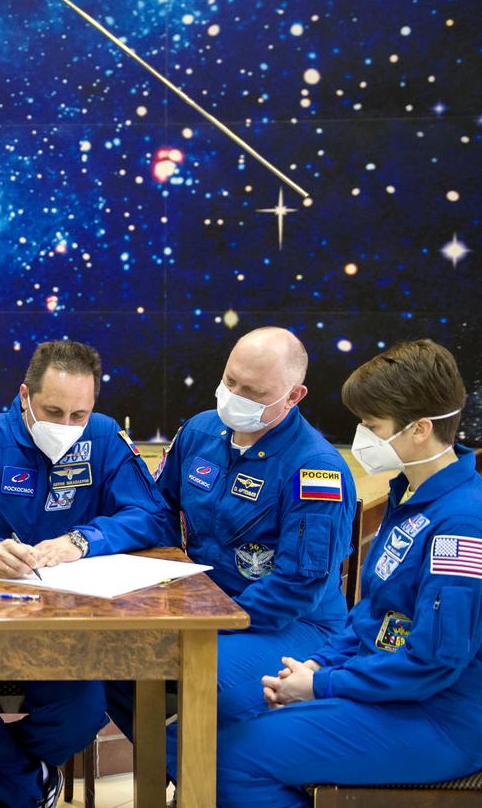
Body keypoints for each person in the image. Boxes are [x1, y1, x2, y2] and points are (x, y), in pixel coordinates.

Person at [214, 339, 482, 806]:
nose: (362, 436)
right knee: (210, 724)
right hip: (393, 693)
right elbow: (370, 616)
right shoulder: (414, 497)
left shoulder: (464, 527)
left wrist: (322, 685)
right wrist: (320, 665)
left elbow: (434, 662)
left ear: (420, 428)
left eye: (371, 425)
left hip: (436, 720)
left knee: (224, 758)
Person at [0, 340, 170, 808]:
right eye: (53, 411)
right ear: (25, 396)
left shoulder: (106, 437)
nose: (67, 426)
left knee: (80, 716)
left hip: (67, 623)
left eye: (80, 415)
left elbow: (151, 515)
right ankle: (31, 786)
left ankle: (10, 790)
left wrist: (84, 540)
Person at [104, 327, 357, 764]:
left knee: (204, 677)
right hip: (201, 606)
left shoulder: (316, 470)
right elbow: (158, 511)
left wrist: (208, 621)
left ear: (294, 396)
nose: (234, 396)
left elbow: (300, 583)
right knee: (113, 661)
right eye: (230, 381)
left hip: (290, 623)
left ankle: (197, 778)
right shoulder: (200, 431)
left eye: (253, 391)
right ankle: (180, 773)